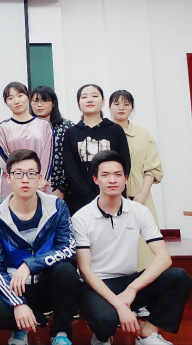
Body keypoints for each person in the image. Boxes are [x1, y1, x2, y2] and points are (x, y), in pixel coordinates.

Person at [72, 150, 192, 345]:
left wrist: (132, 289)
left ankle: (147, 333)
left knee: (179, 277)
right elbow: (85, 270)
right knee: (105, 321)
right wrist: (120, 305)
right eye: (105, 175)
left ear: (126, 178)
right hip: (95, 285)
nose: (112, 180)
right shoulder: (81, 217)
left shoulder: (139, 211)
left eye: (118, 174)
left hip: (128, 280)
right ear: (95, 180)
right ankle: (101, 335)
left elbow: (164, 258)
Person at [0, 149, 79, 345]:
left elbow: (69, 248)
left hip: (47, 283)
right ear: (8, 178)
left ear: (40, 178)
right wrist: (17, 303)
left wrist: (31, 265)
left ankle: (61, 334)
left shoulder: (57, 207)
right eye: (18, 174)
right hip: (15, 285)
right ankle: (20, 329)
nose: (25, 179)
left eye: (31, 173)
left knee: (67, 272)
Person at [109, 90, 164, 272]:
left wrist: (142, 194)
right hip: (111, 194)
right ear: (109, 107)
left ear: (132, 108)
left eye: (126, 104)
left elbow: (152, 168)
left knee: (145, 242)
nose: (121, 108)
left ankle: (147, 281)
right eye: (116, 104)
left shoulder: (142, 134)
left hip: (141, 194)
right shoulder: (104, 132)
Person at [63, 84, 130, 214]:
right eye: (84, 97)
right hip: (81, 199)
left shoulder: (115, 130)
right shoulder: (71, 133)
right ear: (78, 103)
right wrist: (88, 195)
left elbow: (125, 163)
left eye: (94, 96)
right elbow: (70, 169)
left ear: (103, 102)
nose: (89, 100)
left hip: (113, 196)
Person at [0, 82, 54, 199]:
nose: (16, 101)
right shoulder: (1, 128)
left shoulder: (44, 125)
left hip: (41, 185)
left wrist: (38, 180)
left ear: (28, 97)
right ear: (6, 102)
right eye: (10, 98)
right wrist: (23, 178)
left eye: (20, 95)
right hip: (12, 187)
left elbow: (48, 157)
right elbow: (3, 160)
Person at [30, 85, 74, 200]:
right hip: (32, 187)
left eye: (44, 100)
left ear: (53, 103)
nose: (39, 105)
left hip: (62, 189)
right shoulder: (26, 127)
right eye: (35, 101)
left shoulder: (66, 126)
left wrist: (61, 188)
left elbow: (71, 160)